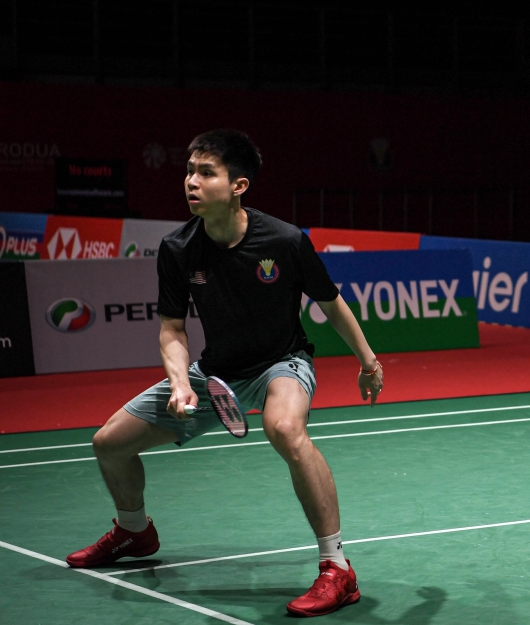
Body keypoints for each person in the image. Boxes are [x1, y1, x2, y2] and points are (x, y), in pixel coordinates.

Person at [65, 130, 383, 617]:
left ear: (239, 186)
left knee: (286, 429)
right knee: (109, 442)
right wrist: (177, 383)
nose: (191, 182)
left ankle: (337, 568)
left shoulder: (284, 239)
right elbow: (172, 329)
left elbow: (330, 302)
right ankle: (134, 531)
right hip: (214, 374)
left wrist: (368, 361)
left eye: (205, 173)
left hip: (283, 361)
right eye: (189, 171)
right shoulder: (178, 248)